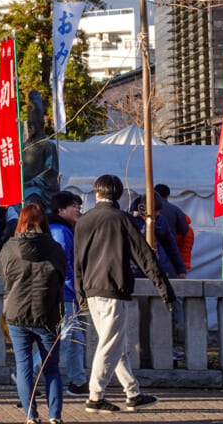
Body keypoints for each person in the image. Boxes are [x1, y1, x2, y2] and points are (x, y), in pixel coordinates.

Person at [75, 174, 174, 414]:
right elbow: (144, 256)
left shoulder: (83, 220)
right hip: (113, 288)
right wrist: (165, 289)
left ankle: (133, 392)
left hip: (90, 288)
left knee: (115, 343)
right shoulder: (122, 219)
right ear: (118, 195)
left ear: (96, 194)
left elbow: (77, 261)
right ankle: (95, 396)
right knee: (110, 344)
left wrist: (80, 294)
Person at [0, 203, 68, 424]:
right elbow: (62, 277)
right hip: (47, 314)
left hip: (17, 313)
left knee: (23, 366)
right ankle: (55, 415)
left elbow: (4, 277)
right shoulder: (55, 249)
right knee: (52, 370)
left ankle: (30, 415)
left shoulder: (9, 248)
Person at [47, 191, 88, 396]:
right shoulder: (61, 232)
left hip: (64, 293)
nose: (78, 209)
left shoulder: (59, 229)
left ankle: (78, 381)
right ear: (60, 209)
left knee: (73, 338)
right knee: (64, 338)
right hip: (65, 293)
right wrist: (77, 289)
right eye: (74, 206)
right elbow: (65, 266)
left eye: (79, 206)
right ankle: (32, 372)